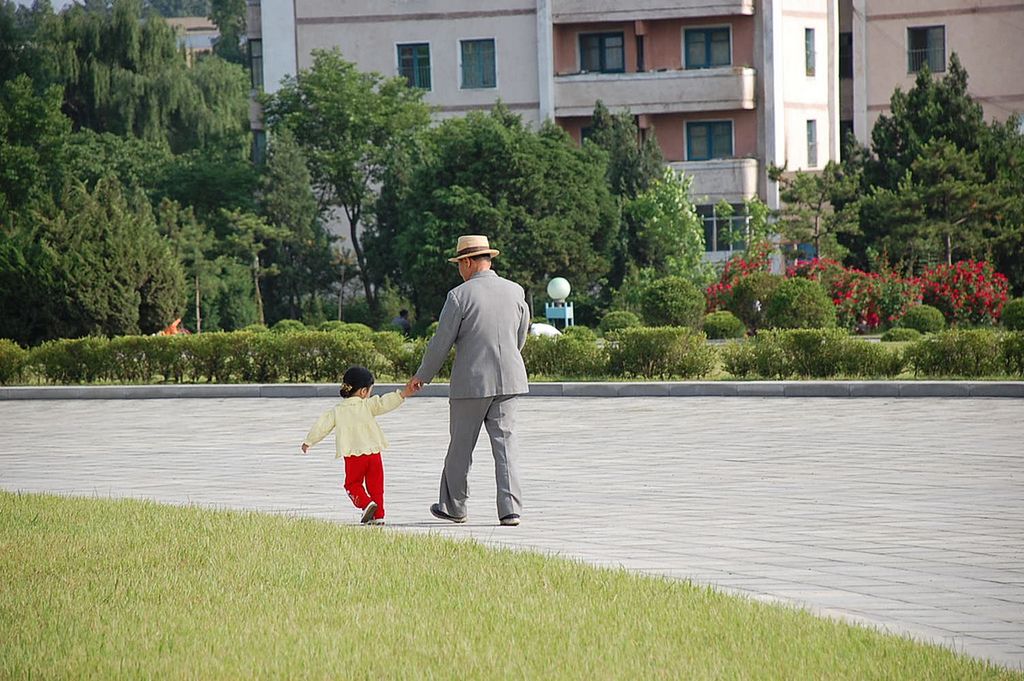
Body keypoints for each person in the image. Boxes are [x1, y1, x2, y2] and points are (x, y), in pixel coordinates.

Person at [406, 234, 530, 527]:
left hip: (471, 383)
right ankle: (510, 510)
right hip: (510, 380)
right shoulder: (515, 291)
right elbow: (520, 335)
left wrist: (421, 376)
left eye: (459, 264)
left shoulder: (459, 296)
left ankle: (454, 506)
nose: (459, 270)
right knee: (506, 445)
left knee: (461, 446)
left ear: (468, 262)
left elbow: (440, 343)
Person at [301, 365, 418, 525]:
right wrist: (403, 393)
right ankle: (378, 516)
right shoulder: (368, 405)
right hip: (374, 454)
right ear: (363, 391)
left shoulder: (337, 410)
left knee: (352, 484)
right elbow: (385, 402)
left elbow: (322, 426)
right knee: (376, 487)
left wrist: (309, 441)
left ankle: (365, 503)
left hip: (354, 456)